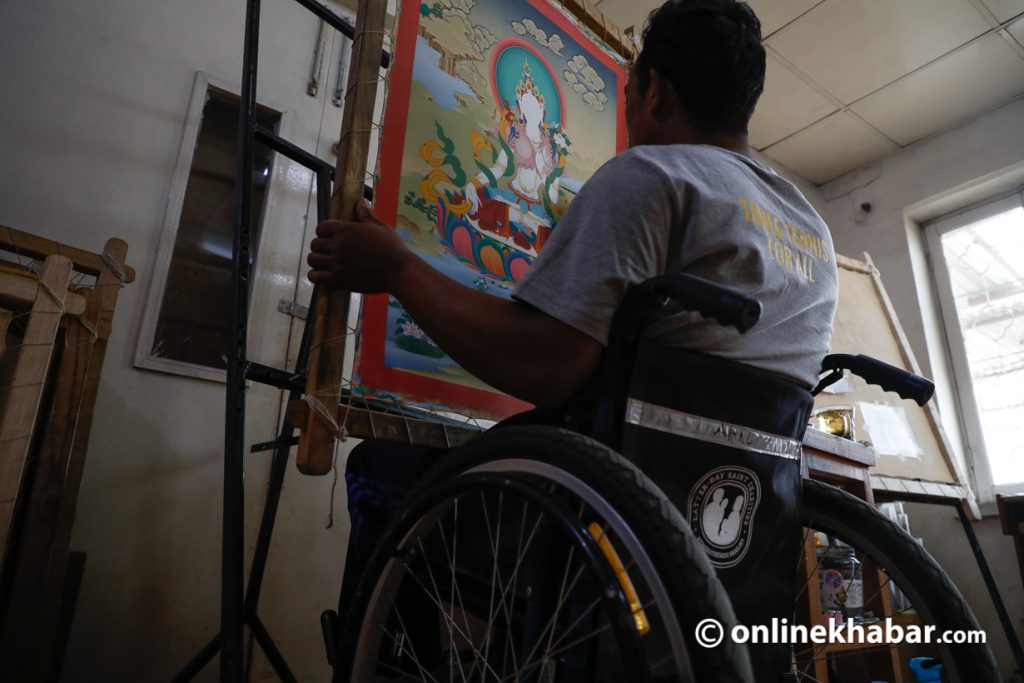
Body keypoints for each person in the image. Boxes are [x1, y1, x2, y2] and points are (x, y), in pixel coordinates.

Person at [310, 1, 838, 678]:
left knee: (382, 465)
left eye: (627, 94)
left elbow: (547, 363)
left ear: (654, 90)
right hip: (739, 538)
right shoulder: (810, 228)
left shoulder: (653, 176)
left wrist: (399, 268)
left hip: (610, 513)